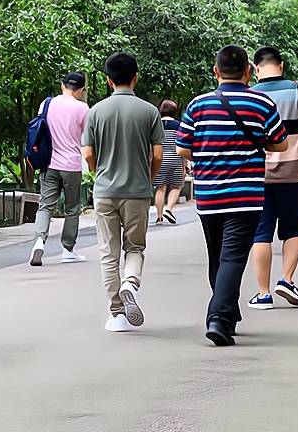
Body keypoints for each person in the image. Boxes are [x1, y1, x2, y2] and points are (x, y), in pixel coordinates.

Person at [176, 45, 285, 347]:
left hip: (209, 195)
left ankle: (228, 313)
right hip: (245, 195)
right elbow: (279, 144)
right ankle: (220, 317)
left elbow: (183, 148)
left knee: (218, 256)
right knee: (233, 257)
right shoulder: (261, 102)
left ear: (216, 71)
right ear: (249, 72)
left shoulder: (198, 105)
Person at [82, 52, 163, 333]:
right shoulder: (150, 111)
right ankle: (131, 282)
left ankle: (117, 313)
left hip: (104, 191)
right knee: (135, 247)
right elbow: (157, 155)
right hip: (137, 191)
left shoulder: (95, 111)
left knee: (108, 252)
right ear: (135, 77)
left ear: (108, 80)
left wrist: (97, 173)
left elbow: (88, 152)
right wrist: (148, 180)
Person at [247, 46, 298, 310]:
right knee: (293, 229)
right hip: (294, 172)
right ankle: (287, 280)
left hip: (258, 175)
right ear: (281, 64)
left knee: (261, 234)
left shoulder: (251, 95)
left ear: (255, 69)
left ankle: (263, 293)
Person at [30, 73, 90, 267]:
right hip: (71, 165)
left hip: (49, 163)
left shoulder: (47, 104)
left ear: (62, 85)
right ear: (81, 90)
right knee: (72, 209)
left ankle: (39, 241)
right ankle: (68, 249)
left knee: (45, 205)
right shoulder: (82, 108)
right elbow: (86, 138)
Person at [153, 99, 185, 224]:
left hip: (159, 159)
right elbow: (182, 144)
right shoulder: (179, 125)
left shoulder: (156, 125)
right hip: (176, 159)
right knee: (176, 186)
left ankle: (159, 217)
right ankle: (169, 209)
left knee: (160, 188)